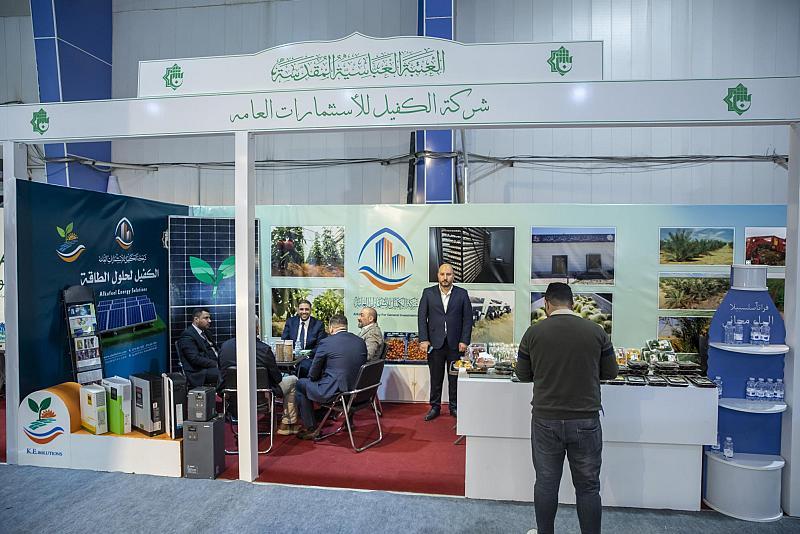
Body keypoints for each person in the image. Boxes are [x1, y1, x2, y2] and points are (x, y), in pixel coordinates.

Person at [516, 283, 618, 534]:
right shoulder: (596, 331)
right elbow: (611, 372)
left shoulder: (533, 333)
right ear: (571, 303)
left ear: (547, 304)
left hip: (545, 419)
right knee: (588, 487)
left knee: (546, 484)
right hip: (585, 419)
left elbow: (522, 374)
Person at [218, 318, 300, 435]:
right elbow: (277, 378)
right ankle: (287, 423)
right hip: (261, 398)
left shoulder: (225, 347)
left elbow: (221, 374)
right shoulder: (264, 349)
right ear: (257, 329)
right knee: (293, 380)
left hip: (232, 398)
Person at [294, 315, 367, 440]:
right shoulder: (360, 341)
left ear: (331, 327)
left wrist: (315, 379)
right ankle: (348, 422)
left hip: (336, 392)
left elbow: (313, 373)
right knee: (346, 377)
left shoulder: (326, 342)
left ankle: (312, 428)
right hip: (359, 392)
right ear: (346, 326)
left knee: (300, 384)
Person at [417, 263, 473, 421]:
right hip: (435, 343)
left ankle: (454, 407)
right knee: (435, 377)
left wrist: (464, 340)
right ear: (438, 276)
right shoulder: (428, 293)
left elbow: (468, 319)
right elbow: (422, 317)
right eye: (442, 274)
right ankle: (435, 407)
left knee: (454, 377)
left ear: (453, 276)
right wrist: (423, 339)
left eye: (448, 274)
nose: (445, 278)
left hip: (456, 344)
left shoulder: (462, 294)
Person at [177, 307, 221, 388]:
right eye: (206, 318)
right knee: (227, 374)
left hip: (212, 367)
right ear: (196, 319)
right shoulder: (187, 335)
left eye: (209, 318)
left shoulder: (207, 333)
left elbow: (215, 350)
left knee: (232, 370)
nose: (209, 321)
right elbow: (195, 359)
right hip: (199, 373)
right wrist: (216, 364)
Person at [281, 299, 326, 378]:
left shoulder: (318, 324)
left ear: (310, 310)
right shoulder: (290, 322)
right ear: (298, 310)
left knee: (303, 367)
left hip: (309, 358)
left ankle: (299, 384)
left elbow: (320, 346)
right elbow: (284, 340)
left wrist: (306, 355)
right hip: (292, 357)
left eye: (307, 309)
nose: (304, 312)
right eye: (301, 309)